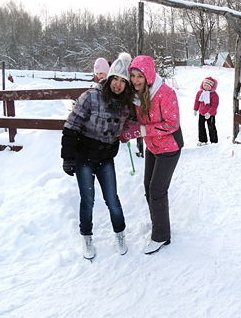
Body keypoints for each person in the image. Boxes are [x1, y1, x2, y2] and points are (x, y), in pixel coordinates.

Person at [61, 54, 134, 259]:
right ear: (109, 78)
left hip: (106, 158)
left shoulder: (126, 104)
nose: (118, 85)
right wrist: (68, 157)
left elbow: (137, 119)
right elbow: (71, 125)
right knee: (88, 200)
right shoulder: (91, 96)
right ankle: (86, 236)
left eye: (123, 81)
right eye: (115, 79)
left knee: (112, 199)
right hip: (84, 156)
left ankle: (119, 233)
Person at [121, 55, 184, 255]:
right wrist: (127, 126)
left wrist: (142, 131)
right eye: (133, 76)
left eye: (140, 75)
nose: (136, 80)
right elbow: (135, 118)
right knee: (148, 188)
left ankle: (161, 236)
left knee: (157, 189)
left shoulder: (165, 93)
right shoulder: (137, 95)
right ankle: (159, 224)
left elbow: (172, 123)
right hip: (153, 147)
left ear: (148, 74)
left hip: (170, 147)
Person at [193, 76, 219, 145]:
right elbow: (197, 101)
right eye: (205, 85)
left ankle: (214, 141)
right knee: (201, 126)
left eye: (208, 86)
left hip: (210, 114)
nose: (206, 87)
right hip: (202, 112)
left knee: (211, 127)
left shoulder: (214, 95)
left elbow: (214, 105)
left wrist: (209, 113)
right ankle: (202, 140)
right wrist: (195, 109)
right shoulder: (200, 93)